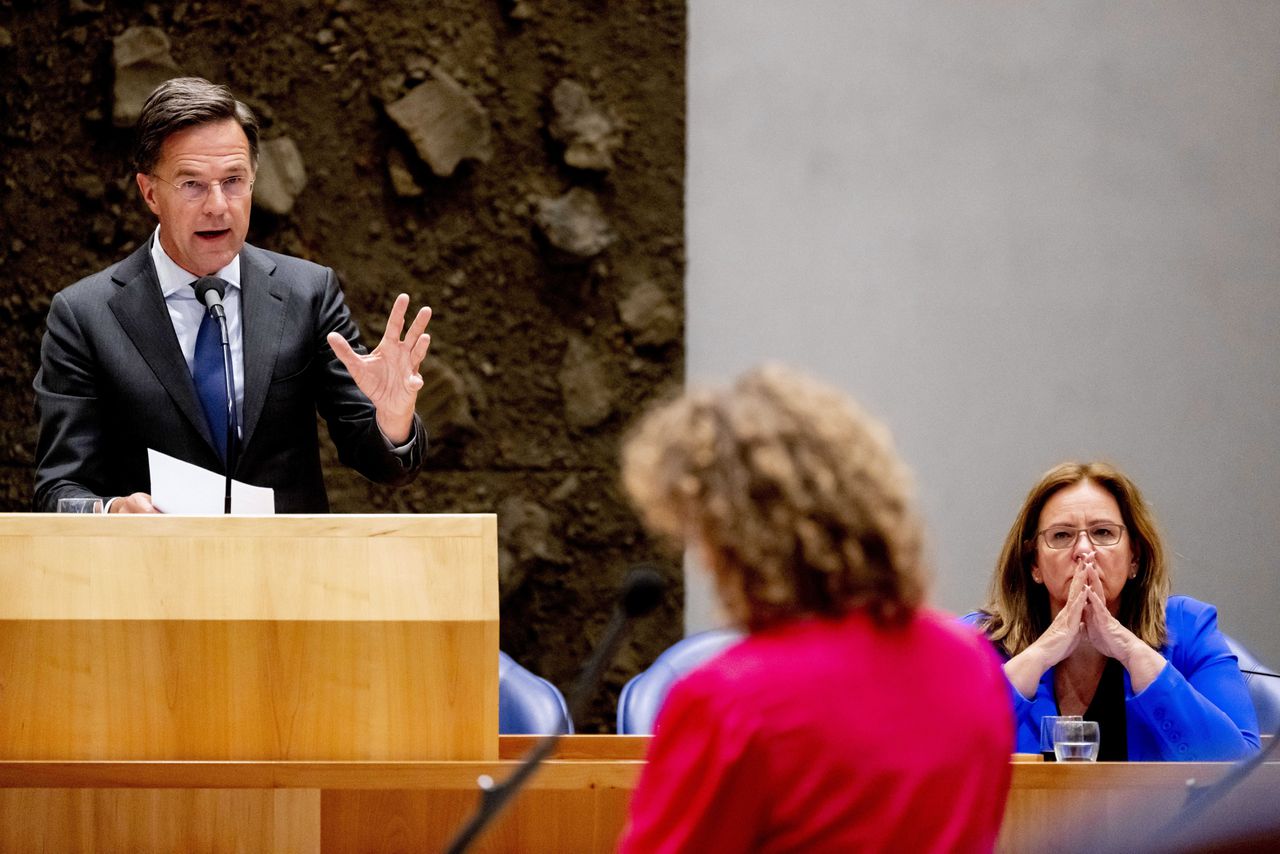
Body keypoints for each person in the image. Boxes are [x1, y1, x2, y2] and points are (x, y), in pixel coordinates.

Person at [616, 365, 1013, 853]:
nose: (703, 559)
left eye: (702, 535)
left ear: (738, 540)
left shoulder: (726, 700)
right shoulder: (972, 662)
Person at [33, 77, 431, 513]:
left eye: (233, 180)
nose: (218, 205)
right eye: (192, 184)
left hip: (287, 572)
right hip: (152, 571)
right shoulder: (84, 316)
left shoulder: (308, 293)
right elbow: (58, 491)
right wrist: (111, 513)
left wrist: (393, 420)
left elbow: (381, 463)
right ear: (150, 193)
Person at [966, 461, 1260, 761]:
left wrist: (1132, 652)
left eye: (1103, 532)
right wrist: (1040, 654)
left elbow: (1242, 767)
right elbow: (932, 758)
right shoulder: (975, 643)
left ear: (1134, 557)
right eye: (1061, 536)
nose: (1084, 550)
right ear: (1034, 564)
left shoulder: (1187, 629)